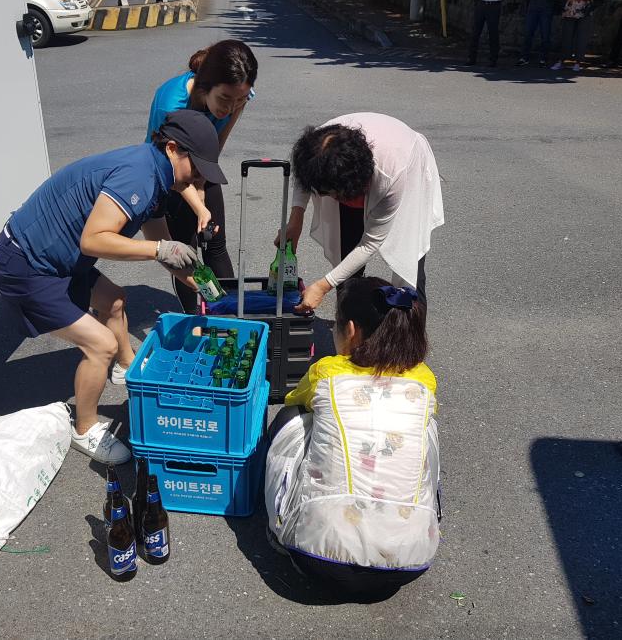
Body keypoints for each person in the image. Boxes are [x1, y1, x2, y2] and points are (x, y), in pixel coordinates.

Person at [0, 110, 224, 463]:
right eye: (198, 167)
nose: (198, 178)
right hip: (27, 265)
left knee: (114, 300)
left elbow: (161, 244)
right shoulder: (138, 177)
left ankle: (127, 367)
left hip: (58, 259)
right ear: (174, 148)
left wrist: (205, 289)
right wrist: (160, 249)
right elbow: (94, 241)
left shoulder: (159, 177)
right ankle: (84, 428)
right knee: (99, 344)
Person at [264, 277, 441, 598]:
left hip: (316, 556)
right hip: (410, 560)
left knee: (292, 418)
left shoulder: (328, 372)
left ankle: (280, 528)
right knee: (425, 425)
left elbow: (294, 403)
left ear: (350, 330)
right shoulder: (423, 378)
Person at [278, 113, 444, 313]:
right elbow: (306, 175)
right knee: (346, 263)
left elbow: (370, 243)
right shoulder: (318, 145)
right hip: (350, 176)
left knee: (408, 273)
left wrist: (323, 285)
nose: (328, 199)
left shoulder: (391, 174)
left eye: (331, 194)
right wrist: (295, 220)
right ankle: (350, 331)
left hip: (407, 170)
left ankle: (409, 338)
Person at [146, 40, 258, 313]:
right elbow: (170, 167)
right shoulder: (172, 104)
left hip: (200, 171)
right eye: (225, 100)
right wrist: (198, 204)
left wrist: (203, 185)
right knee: (184, 253)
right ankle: (194, 319)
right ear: (206, 84)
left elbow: (214, 147)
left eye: (239, 100)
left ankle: (230, 315)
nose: (230, 108)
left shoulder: (237, 96)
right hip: (169, 175)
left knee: (216, 246)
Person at [551, 0, 598, 72]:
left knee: (582, 37)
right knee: (567, 35)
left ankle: (578, 62)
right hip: (570, 10)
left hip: (585, 11)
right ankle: (562, 60)